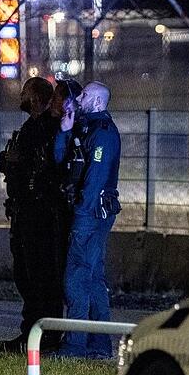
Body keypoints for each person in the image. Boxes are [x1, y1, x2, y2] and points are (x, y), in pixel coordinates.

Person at [0, 77, 69, 352]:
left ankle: (44, 336)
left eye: (26, 93)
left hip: (40, 214)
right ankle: (31, 333)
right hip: (23, 212)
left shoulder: (47, 129)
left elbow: (46, 168)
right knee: (26, 276)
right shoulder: (31, 127)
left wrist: (20, 162)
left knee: (42, 278)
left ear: (38, 98)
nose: (22, 97)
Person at [54, 82, 121, 359]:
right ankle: (99, 345)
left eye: (83, 95)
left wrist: (80, 214)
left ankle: (75, 345)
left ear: (96, 102)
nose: (78, 98)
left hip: (91, 215)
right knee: (92, 279)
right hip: (87, 212)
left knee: (76, 278)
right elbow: (61, 160)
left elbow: (95, 180)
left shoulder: (103, 134)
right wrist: (64, 132)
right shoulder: (84, 128)